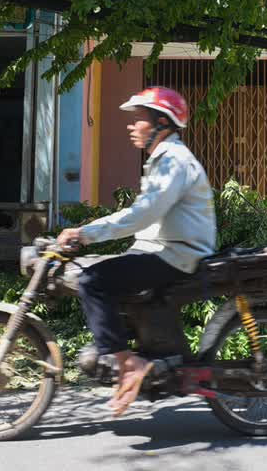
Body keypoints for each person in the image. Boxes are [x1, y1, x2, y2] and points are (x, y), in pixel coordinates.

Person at [56, 86, 216, 416]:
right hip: (163, 249)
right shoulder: (162, 159)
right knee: (108, 279)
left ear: (162, 123)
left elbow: (143, 214)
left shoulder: (173, 161)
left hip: (177, 254)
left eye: (139, 119)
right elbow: (148, 220)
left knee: (92, 281)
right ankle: (142, 357)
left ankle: (127, 362)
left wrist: (85, 233)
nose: (132, 126)